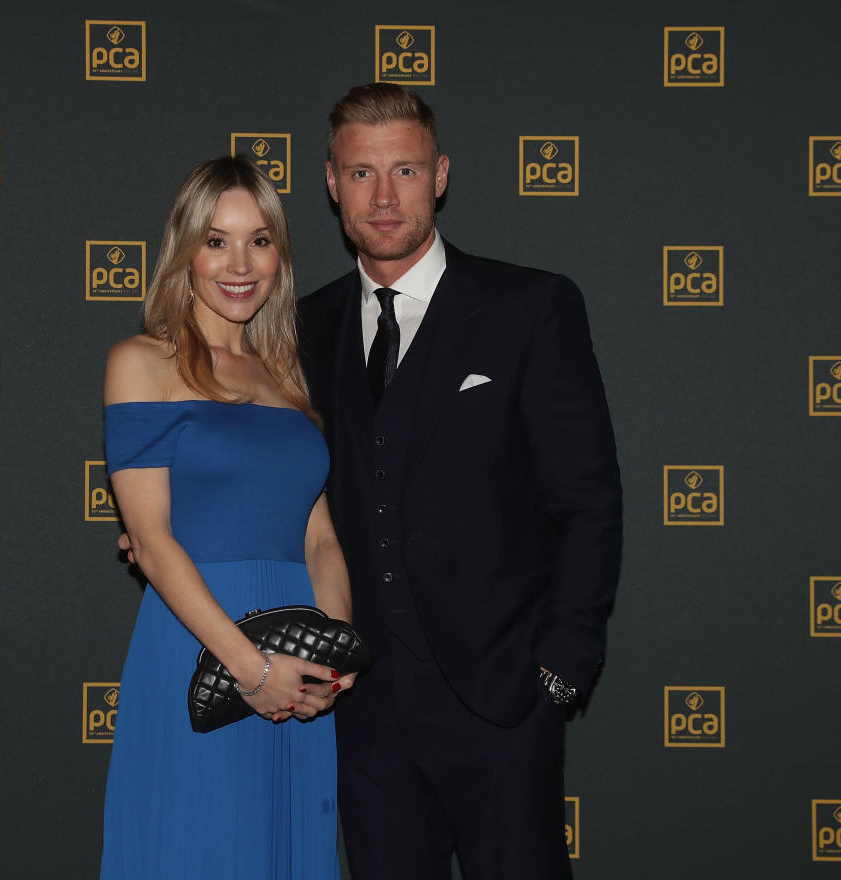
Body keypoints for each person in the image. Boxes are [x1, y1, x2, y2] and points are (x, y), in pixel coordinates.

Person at [296, 83, 622, 879]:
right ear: (332, 183)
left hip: (503, 700)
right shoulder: (305, 327)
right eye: (362, 173)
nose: (383, 196)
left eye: (404, 171)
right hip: (361, 710)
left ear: (440, 175)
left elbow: (588, 500)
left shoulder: (530, 306)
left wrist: (558, 670)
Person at [99, 155, 356, 879]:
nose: (240, 264)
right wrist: (250, 668)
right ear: (186, 252)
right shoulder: (142, 362)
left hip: (298, 657)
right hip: (201, 652)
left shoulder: (285, 375)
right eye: (216, 241)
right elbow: (149, 542)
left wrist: (329, 662)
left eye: (260, 240)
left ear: (281, 253)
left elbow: (322, 538)